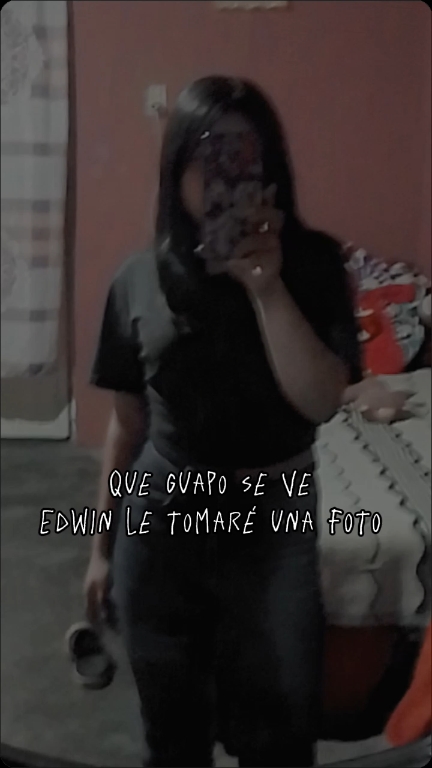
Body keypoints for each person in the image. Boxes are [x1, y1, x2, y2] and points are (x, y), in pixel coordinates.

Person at [84, 76, 362, 767]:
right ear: (175, 167)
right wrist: (100, 545)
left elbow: (323, 401)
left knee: (280, 738)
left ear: (269, 166)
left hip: (274, 521)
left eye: (243, 155)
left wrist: (267, 289)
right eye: (207, 156)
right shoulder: (138, 279)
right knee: (171, 737)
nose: (223, 176)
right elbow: (126, 425)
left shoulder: (315, 264)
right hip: (162, 521)